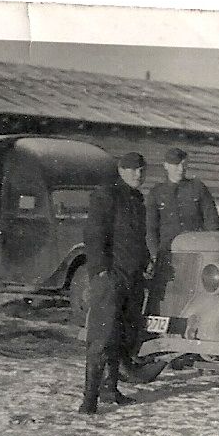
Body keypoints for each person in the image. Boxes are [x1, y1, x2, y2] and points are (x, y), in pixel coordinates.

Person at [78, 152, 151, 414]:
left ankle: (111, 389)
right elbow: (94, 236)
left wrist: (146, 262)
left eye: (141, 170)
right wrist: (100, 272)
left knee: (121, 337)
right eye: (132, 170)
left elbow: (136, 240)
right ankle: (89, 400)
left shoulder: (138, 199)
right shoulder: (106, 195)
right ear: (121, 170)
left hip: (132, 278)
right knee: (101, 336)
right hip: (111, 278)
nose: (137, 175)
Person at [145, 146, 219, 272]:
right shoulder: (156, 193)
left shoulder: (198, 188)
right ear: (166, 166)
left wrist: (212, 249)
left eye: (183, 165)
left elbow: (211, 220)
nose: (180, 169)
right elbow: (151, 228)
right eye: (175, 165)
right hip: (167, 253)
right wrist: (155, 255)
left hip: (196, 252)